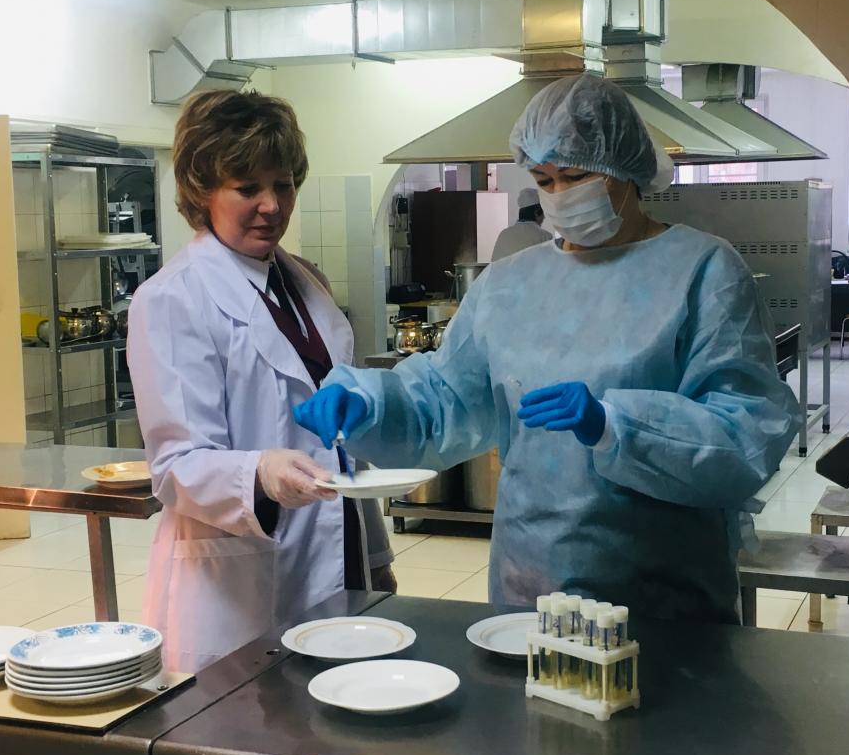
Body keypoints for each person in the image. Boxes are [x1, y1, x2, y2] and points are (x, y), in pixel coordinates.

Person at [293, 74, 799, 623]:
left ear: (626, 169)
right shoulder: (509, 284)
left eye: (575, 176)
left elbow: (746, 433)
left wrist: (617, 425)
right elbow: (445, 398)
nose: (559, 194)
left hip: (660, 590)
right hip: (529, 583)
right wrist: (372, 405)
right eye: (543, 179)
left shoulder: (704, 271)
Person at [127, 90, 394, 673]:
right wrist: (260, 473)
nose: (272, 206)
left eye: (284, 185)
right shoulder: (172, 299)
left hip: (337, 552)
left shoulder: (305, 282)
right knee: (255, 715)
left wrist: (373, 557)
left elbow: (335, 447)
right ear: (202, 191)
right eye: (248, 188)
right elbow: (175, 466)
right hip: (241, 576)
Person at [491, 187, 552, 261]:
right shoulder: (544, 237)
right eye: (543, 213)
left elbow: (494, 264)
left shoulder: (504, 234)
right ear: (536, 213)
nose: (544, 217)